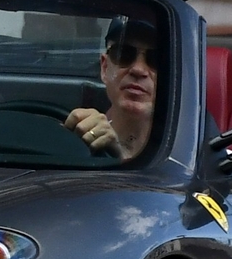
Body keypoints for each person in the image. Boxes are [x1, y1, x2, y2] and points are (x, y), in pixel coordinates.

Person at [67, 17, 161, 160]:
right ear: (105, 68)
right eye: (123, 54)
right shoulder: (79, 135)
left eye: (156, 59)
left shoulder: (192, 149)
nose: (138, 69)